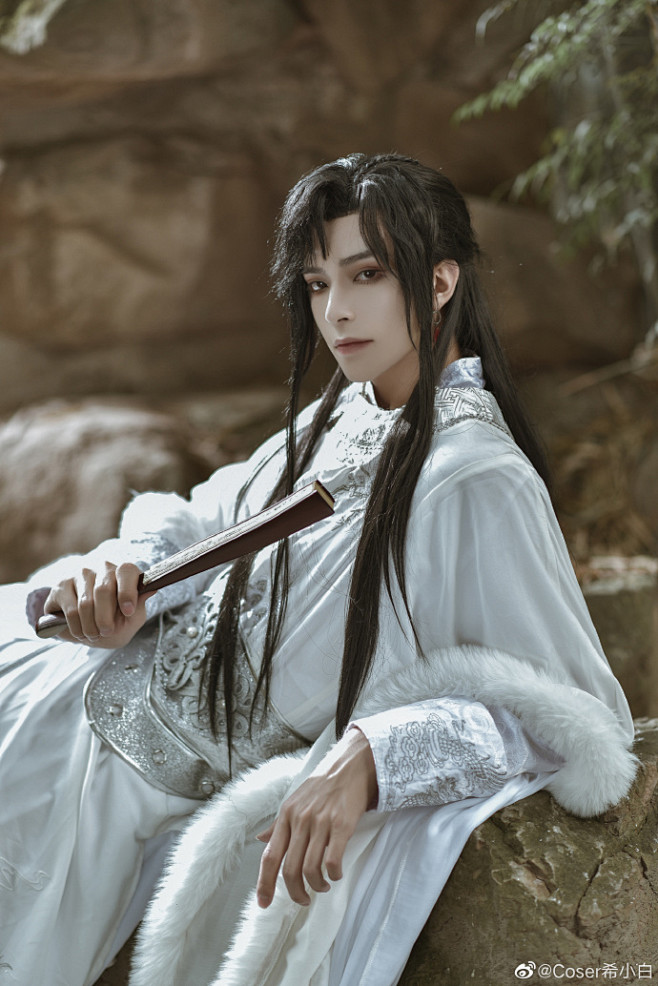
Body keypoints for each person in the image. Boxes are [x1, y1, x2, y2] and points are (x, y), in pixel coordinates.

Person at [0, 153, 636, 986]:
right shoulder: (344, 411)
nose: (336, 311)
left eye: (367, 275)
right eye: (315, 283)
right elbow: (203, 514)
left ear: (440, 281)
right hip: (72, 694)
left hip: (132, 797)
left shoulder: (477, 478)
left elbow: (577, 722)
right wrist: (126, 575)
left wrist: (376, 754)